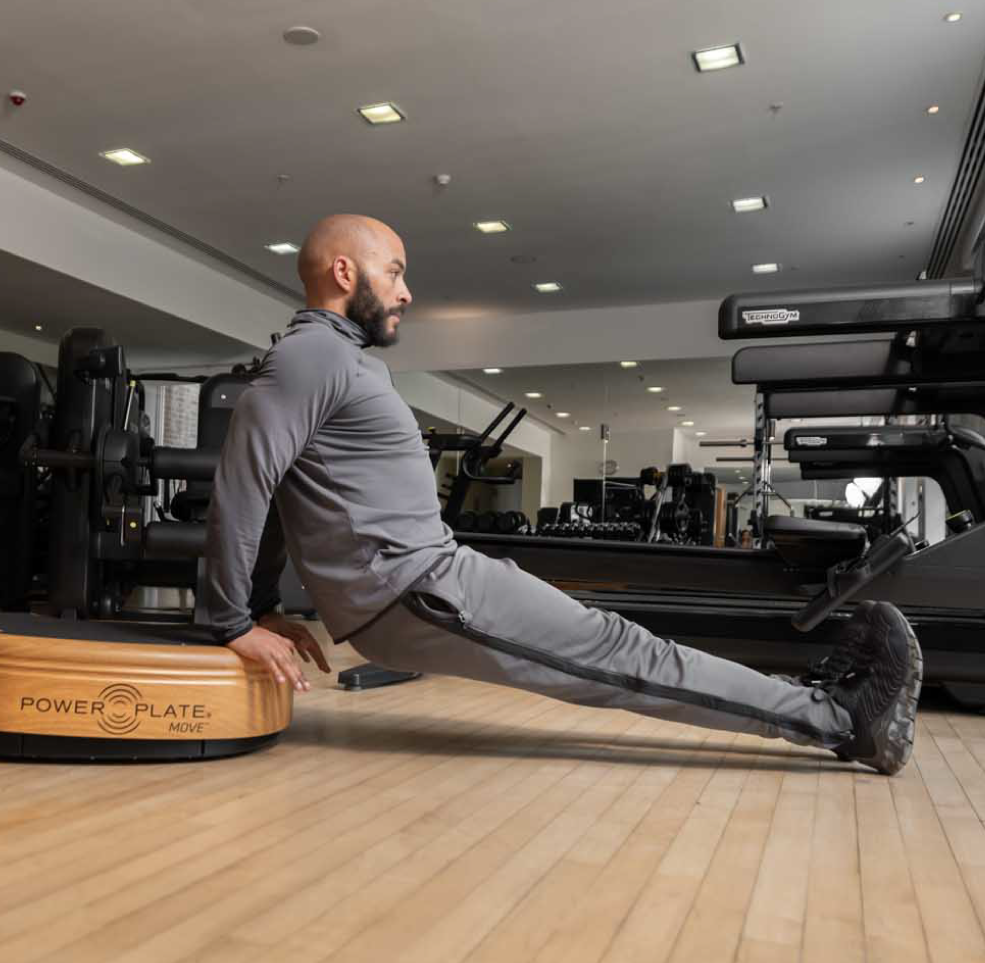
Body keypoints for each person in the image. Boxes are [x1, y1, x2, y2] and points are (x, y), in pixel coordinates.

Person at [201, 214, 923, 775]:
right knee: (619, 657)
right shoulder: (311, 354)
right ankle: (838, 720)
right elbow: (246, 482)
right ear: (341, 269)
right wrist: (232, 618)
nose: (404, 290)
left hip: (425, 579)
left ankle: (817, 707)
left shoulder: (326, 356)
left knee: (621, 648)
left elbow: (274, 483)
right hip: (416, 584)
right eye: (393, 271)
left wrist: (261, 603)